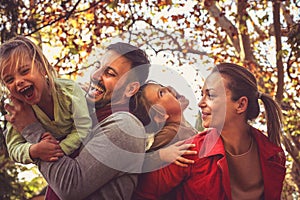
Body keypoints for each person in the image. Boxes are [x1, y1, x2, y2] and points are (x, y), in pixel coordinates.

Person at [4, 42, 151, 199]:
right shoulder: (86, 117)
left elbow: (70, 186)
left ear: (130, 89)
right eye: (97, 66)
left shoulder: (125, 127)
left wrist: (31, 128)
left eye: (109, 73)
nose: (95, 75)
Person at [133, 63, 286, 200]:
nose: (200, 103)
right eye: (202, 95)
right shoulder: (190, 152)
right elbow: (142, 193)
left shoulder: (275, 157)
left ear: (241, 105)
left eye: (211, 95)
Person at [0, 36, 92, 164]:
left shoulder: (69, 91)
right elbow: (14, 148)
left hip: (86, 147)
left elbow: (83, 127)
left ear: (42, 68)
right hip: (54, 161)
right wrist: (33, 150)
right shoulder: (18, 111)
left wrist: (59, 149)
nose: (18, 81)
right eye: (10, 80)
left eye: (25, 71)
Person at [130, 82, 198, 170]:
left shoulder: (183, 128)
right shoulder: (171, 132)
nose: (168, 88)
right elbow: (137, 162)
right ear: (160, 116)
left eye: (162, 87)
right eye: (161, 93)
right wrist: (161, 155)